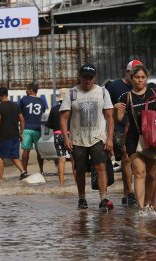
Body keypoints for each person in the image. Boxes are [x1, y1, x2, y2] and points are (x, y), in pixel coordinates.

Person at [115, 64, 156, 217]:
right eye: (137, 77)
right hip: (134, 139)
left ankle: (148, 203)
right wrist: (116, 111)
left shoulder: (154, 93)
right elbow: (119, 119)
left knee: (152, 175)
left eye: (143, 77)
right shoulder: (125, 97)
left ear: (146, 78)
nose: (140, 80)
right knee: (139, 172)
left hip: (152, 138)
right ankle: (141, 208)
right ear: (131, 78)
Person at [60, 64, 115, 212]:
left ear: (94, 78)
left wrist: (110, 139)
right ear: (80, 77)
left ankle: (103, 199)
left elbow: (110, 118)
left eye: (90, 78)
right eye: (85, 77)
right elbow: (64, 118)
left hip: (98, 137)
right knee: (80, 169)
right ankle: (82, 198)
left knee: (100, 167)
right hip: (78, 138)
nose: (87, 80)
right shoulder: (72, 93)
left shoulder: (102, 92)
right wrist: (66, 138)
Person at [105, 60, 142, 206]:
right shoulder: (114, 87)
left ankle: (134, 192)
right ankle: (129, 193)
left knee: (138, 162)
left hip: (139, 129)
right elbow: (106, 109)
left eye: (139, 74)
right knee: (127, 159)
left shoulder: (142, 87)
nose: (137, 77)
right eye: (134, 73)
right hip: (120, 129)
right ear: (127, 72)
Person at [0, 87, 27, 182]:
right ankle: (23, 171)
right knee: (14, 156)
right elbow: (22, 120)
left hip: (4, 136)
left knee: (0, 156)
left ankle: (1, 178)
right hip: (15, 135)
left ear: (0, 96)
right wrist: (21, 133)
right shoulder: (16, 105)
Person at [46, 88, 75, 186]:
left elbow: (49, 125)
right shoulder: (72, 108)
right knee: (73, 158)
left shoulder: (54, 109)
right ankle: (77, 182)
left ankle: (61, 184)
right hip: (70, 135)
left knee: (61, 158)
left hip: (58, 135)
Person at [19, 83, 47, 175]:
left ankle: (25, 171)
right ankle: (41, 170)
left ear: (31, 90)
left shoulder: (24, 99)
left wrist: (20, 131)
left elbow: (20, 114)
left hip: (26, 128)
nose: (25, 91)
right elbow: (42, 114)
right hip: (38, 129)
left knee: (26, 150)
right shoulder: (42, 101)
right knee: (40, 151)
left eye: (27, 89)